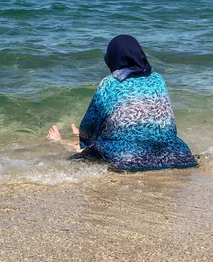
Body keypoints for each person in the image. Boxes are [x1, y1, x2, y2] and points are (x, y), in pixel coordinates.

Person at [46, 35, 197, 172]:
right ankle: (77, 136)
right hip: (177, 155)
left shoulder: (110, 83)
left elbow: (90, 125)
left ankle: (59, 142)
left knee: (88, 150)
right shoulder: (158, 79)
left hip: (128, 159)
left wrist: (84, 138)